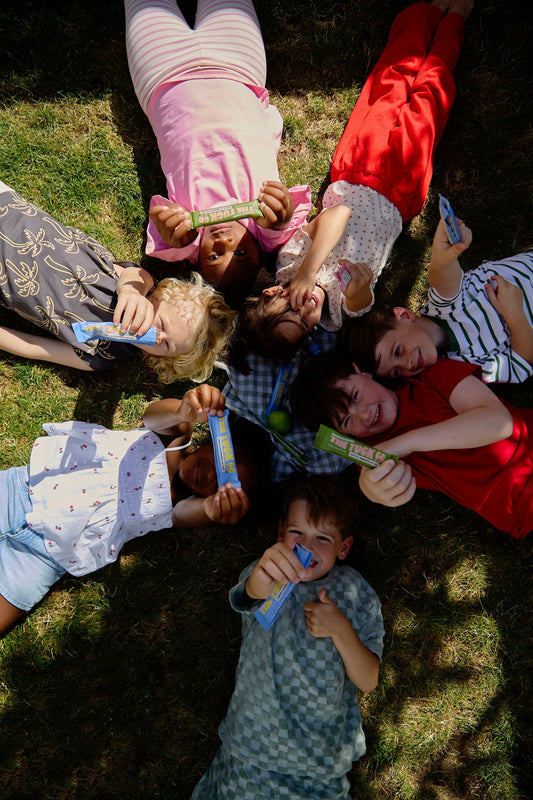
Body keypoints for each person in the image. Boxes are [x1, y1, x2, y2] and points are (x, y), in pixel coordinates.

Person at [233, 0, 474, 361]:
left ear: (272, 294)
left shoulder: (289, 264)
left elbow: (339, 213)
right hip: (400, 193)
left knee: (390, 84)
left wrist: (307, 273)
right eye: (302, 324)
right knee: (429, 103)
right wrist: (358, 291)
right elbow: (361, 302)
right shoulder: (336, 317)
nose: (303, 309)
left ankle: (424, 13)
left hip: (356, 169)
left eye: (288, 310)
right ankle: (454, 23)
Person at [0, 384, 258, 634]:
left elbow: (184, 516)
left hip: (48, 553)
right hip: (25, 489)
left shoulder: (180, 505)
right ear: (215, 442)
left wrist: (211, 509)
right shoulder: (175, 438)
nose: (214, 475)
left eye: (225, 484)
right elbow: (152, 416)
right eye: (225, 463)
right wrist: (183, 410)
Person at [190, 475, 384, 800]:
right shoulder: (267, 571)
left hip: (320, 758)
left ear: (344, 547)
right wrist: (261, 580)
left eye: (323, 537)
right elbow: (250, 595)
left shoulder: (356, 593)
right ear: (281, 533)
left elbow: (368, 681)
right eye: (297, 533)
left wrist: (340, 628)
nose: (307, 546)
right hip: (252, 744)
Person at [124, 0, 311, 300]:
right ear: (260, 254)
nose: (223, 241)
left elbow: (168, 227)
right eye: (240, 253)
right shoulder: (264, 228)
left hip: (162, 74)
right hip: (238, 65)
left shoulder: (188, 239)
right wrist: (280, 214)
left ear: (196, 260)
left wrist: (176, 232)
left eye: (214, 257)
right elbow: (283, 221)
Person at [0, 181, 235, 382]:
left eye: (167, 346)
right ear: (160, 297)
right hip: (13, 214)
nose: (157, 336)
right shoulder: (137, 283)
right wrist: (130, 294)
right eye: (161, 325)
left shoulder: (102, 356)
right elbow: (136, 278)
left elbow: (34, 347)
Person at [289, 352, 533, 539]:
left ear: (361, 371)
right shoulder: (372, 454)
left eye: (355, 396)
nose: (365, 415)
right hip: (520, 508)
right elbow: (376, 485)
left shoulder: (431, 377)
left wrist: (406, 443)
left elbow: (499, 423)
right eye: (347, 420)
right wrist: (371, 490)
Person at [338, 217, 533, 383]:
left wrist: (444, 254)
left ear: (405, 315)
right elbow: (521, 362)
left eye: (397, 351)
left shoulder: (443, 308)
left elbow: (443, 278)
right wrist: (515, 316)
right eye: (396, 372)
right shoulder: (463, 365)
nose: (407, 365)